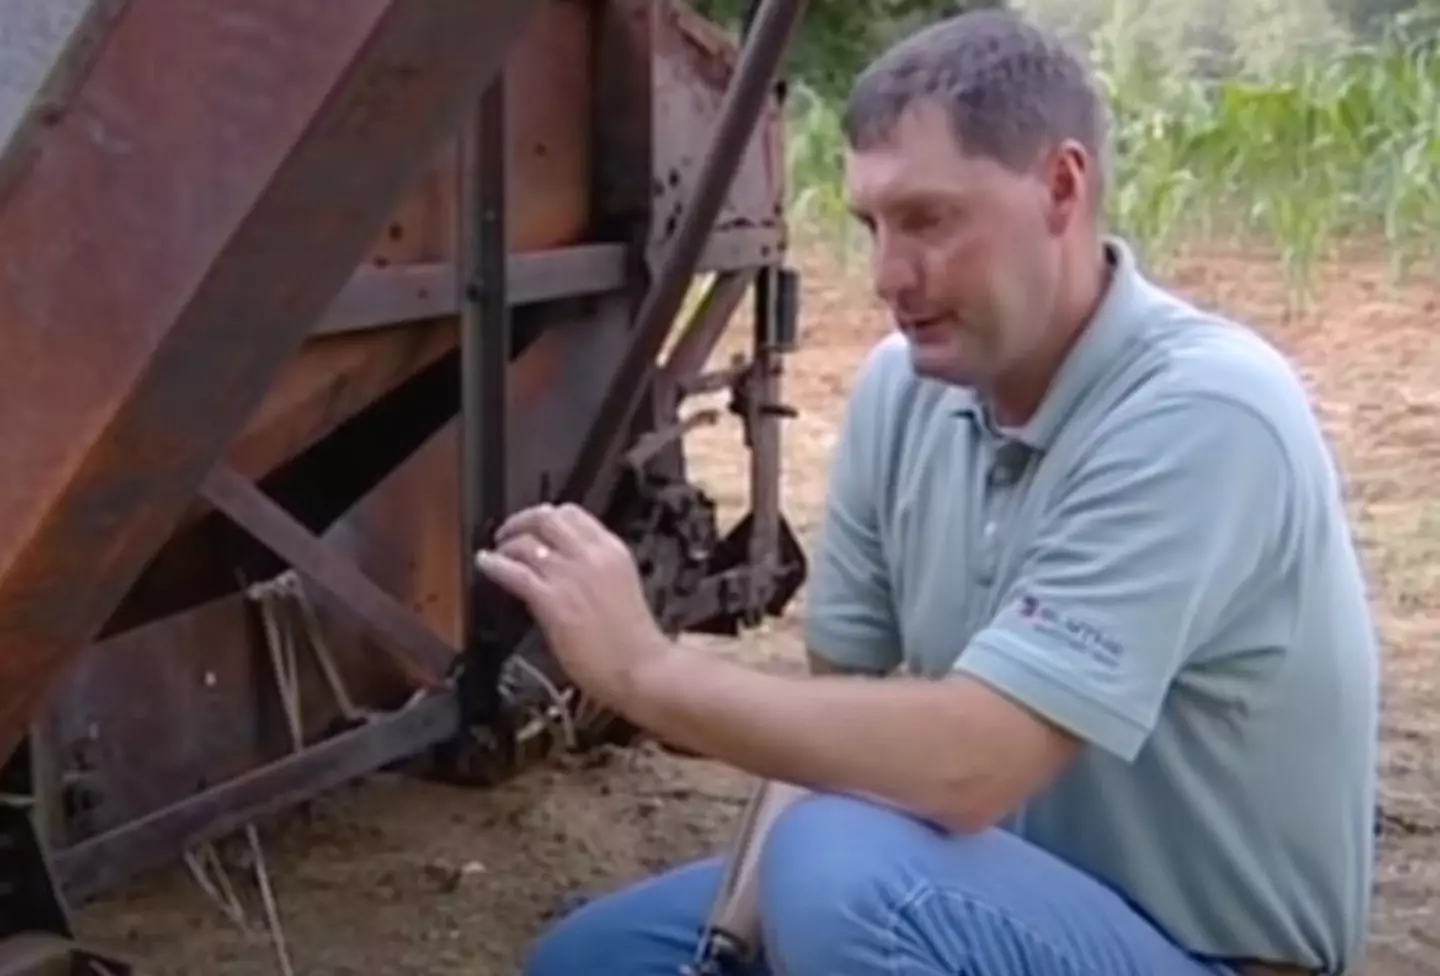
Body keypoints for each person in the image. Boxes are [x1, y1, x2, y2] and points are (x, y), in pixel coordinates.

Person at [475, 9, 1380, 976]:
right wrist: (725, 952)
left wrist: (645, 673)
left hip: (1200, 954)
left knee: (848, 874)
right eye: (871, 225)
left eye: (929, 220)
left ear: (1061, 188)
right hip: (985, 898)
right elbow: (843, 716)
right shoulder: (901, 392)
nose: (887, 276)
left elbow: (976, 767)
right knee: (598, 960)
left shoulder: (1202, 412)